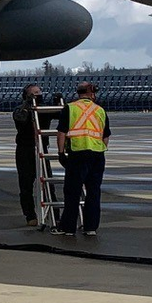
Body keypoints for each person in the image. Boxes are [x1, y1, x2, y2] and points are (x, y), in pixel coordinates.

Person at [58, 81, 109, 237]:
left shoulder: (70, 108)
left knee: (72, 192)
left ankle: (68, 228)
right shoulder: (100, 110)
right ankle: (90, 227)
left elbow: (61, 133)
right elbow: (106, 136)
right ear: (92, 93)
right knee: (93, 192)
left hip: (77, 153)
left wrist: (61, 153)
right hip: (97, 154)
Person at [12, 83, 60, 224]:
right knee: (26, 184)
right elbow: (19, 118)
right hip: (25, 149)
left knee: (48, 183)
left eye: (39, 92)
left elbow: (60, 115)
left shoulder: (44, 109)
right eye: (34, 93)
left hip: (41, 148)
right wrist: (28, 104)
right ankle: (30, 216)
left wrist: (58, 102)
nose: (38, 95)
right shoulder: (20, 109)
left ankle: (54, 214)